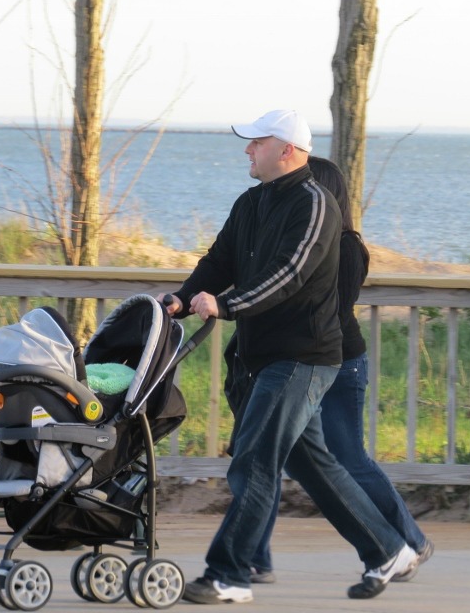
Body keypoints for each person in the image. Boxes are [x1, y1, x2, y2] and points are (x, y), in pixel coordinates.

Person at [158, 109, 418, 604]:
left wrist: (226, 304)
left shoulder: (316, 205)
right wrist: (183, 296)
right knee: (313, 465)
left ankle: (229, 574)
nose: (247, 150)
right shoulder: (251, 203)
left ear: (287, 149)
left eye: (256, 142)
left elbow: (290, 273)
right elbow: (220, 260)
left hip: (303, 357)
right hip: (262, 356)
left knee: (255, 460)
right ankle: (389, 550)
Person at [224, 156, 434, 587]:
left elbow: (320, 309)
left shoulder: (344, 247)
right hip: (291, 360)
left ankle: (408, 541)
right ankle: (254, 559)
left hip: (333, 365)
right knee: (273, 457)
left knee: (345, 459)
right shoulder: (291, 234)